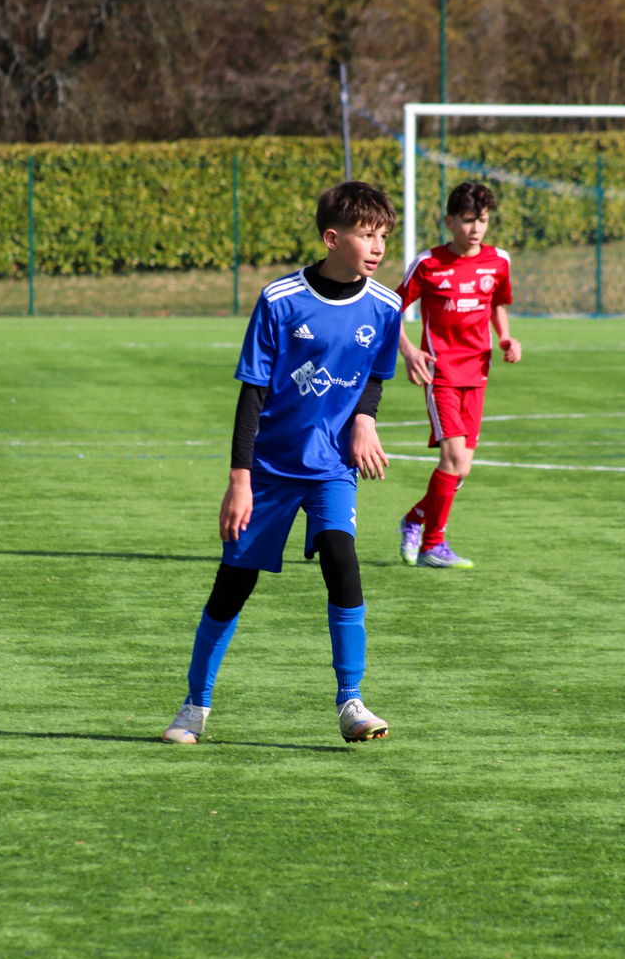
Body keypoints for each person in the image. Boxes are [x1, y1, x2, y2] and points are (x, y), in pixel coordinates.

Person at [162, 181, 403, 744]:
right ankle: (195, 706)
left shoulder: (386, 306)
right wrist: (239, 481)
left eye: (383, 236)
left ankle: (351, 701)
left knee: (341, 558)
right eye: (366, 235)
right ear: (332, 238)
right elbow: (252, 394)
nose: (377, 247)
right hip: (268, 470)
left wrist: (365, 420)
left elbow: (374, 377)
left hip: (331, 467)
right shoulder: (280, 300)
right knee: (233, 585)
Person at [396, 182, 522, 569]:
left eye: (482, 220)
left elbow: (497, 303)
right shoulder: (428, 264)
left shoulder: (498, 261)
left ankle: (414, 519)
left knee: (461, 470)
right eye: (467, 220)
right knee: (452, 457)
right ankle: (433, 546)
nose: (476, 228)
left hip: (478, 372)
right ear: (449, 221)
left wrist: (506, 338)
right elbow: (389, 309)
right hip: (441, 373)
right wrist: (409, 351)